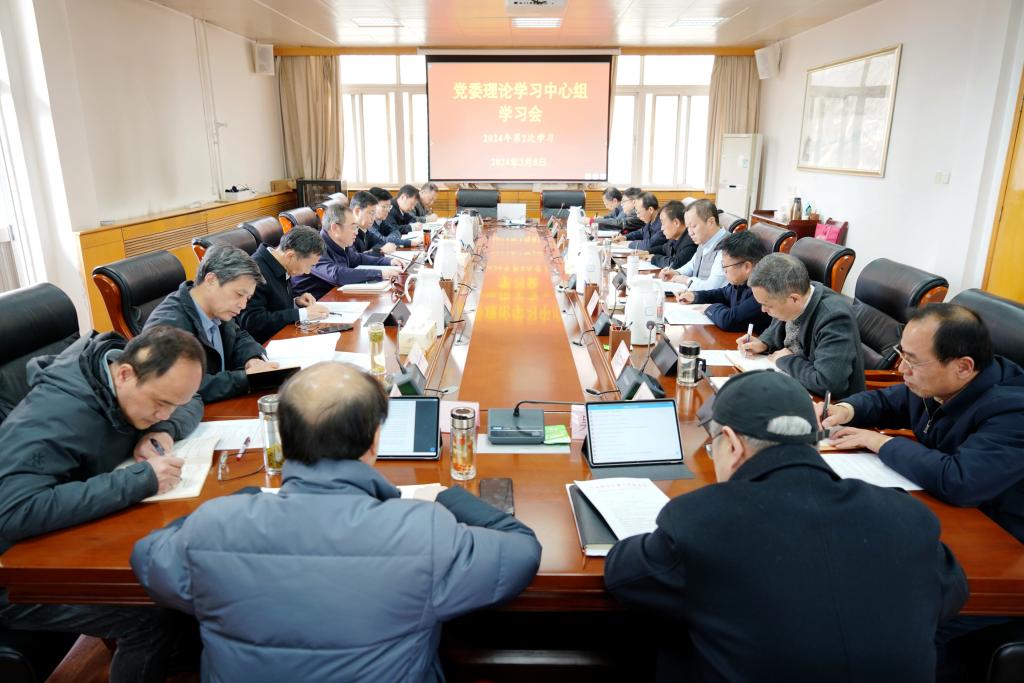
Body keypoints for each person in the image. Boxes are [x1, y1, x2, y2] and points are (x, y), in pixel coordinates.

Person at [132, 362, 542, 682]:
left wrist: (240, 500)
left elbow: (147, 555)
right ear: (375, 441)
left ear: (283, 436)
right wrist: (448, 497)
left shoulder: (213, 526)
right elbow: (521, 551)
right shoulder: (423, 530)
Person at [604, 370, 968, 683]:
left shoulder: (701, 520)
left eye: (714, 449)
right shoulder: (908, 517)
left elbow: (624, 575)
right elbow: (952, 593)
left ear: (732, 444)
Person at [0, 325, 206, 683]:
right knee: (149, 618)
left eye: (172, 405)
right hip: (16, 575)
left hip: (70, 538)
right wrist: (140, 480)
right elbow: (13, 511)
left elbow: (195, 399)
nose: (165, 412)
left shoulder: (127, 374)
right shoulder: (56, 415)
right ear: (124, 374)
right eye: (160, 404)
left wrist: (162, 429)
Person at [822, 303, 1024, 542]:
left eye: (912, 361)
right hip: (937, 500)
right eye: (901, 355)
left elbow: (960, 481)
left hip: (996, 532)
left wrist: (879, 442)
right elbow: (888, 401)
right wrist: (845, 410)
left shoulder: (1013, 411)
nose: (902, 369)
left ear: (963, 367)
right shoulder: (939, 383)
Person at [145, 245, 277, 403]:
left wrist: (252, 359)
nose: (243, 305)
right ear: (211, 280)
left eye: (247, 298)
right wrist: (245, 378)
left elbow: (238, 336)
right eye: (239, 294)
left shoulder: (217, 309)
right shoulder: (168, 326)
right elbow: (180, 385)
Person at [738, 253, 866, 398]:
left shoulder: (834, 317)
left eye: (767, 305)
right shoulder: (795, 294)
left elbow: (829, 383)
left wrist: (785, 360)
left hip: (828, 404)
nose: (763, 310)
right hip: (793, 383)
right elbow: (779, 323)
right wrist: (763, 342)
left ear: (794, 299)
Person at [237, 225, 330, 344]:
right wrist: (302, 314)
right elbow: (251, 321)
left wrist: (296, 302)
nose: (308, 272)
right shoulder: (256, 272)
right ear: (290, 256)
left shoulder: (280, 265)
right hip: (265, 345)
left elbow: (273, 304)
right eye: (309, 265)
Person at [292, 203, 402, 299]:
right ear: (335, 228)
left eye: (357, 227)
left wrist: (389, 262)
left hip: (335, 296)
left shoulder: (341, 243)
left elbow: (358, 258)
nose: (356, 232)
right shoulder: (315, 247)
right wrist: (379, 273)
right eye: (353, 227)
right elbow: (336, 275)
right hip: (314, 303)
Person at [677, 230, 772, 333]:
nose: (724, 271)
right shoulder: (741, 282)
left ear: (747, 267)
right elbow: (723, 293)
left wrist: (710, 308)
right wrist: (695, 296)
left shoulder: (762, 291)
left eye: (725, 266)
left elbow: (729, 320)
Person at [659, 198, 728, 291]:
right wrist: (676, 273)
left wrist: (686, 280)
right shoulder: (705, 240)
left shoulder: (727, 246)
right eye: (688, 227)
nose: (690, 232)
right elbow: (692, 265)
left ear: (711, 222)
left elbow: (712, 287)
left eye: (694, 226)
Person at [650, 200, 697, 269]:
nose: (661, 228)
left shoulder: (691, 241)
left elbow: (674, 264)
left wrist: (653, 258)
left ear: (676, 223)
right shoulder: (675, 238)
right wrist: (647, 252)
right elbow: (663, 248)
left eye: (663, 223)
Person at [350, 190, 396, 255]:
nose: (373, 218)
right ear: (357, 211)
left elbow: (381, 242)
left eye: (374, 214)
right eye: (371, 213)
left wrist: (372, 251)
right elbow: (354, 258)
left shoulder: (365, 231)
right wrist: (379, 251)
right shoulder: (348, 232)